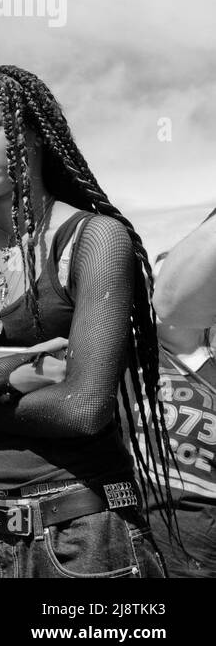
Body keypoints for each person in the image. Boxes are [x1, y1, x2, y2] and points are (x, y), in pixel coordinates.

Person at [0, 66, 172, 578]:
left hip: (79, 533)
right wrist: (2, 376)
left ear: (33, 133)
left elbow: (83, 408)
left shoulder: (93, 239)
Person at [145, 210, 216, 576]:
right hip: (130, 547)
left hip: (202, 556)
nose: (161, 299)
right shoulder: (125, 363)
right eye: (155, 286)